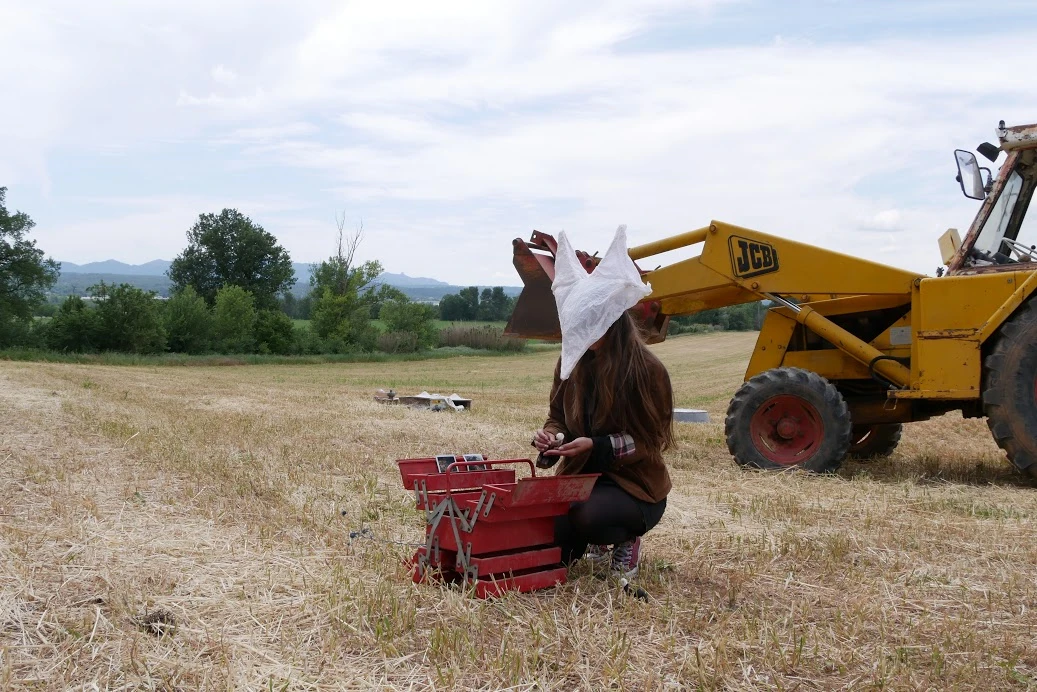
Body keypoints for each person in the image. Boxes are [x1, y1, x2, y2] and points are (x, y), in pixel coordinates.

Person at [532, 225, 675, 579]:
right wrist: (554, 440)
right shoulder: (572, 362)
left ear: (610, 322)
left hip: (633, 486)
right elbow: (557, 418)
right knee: (548, 543)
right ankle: (589, 540)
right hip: (582, 478)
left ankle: (626, 537)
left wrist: (594, 447)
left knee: (588, 516)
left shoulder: (647, 372)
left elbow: (647, 443)